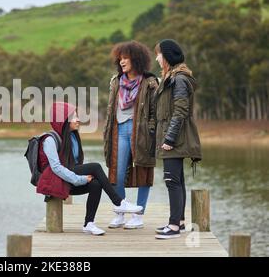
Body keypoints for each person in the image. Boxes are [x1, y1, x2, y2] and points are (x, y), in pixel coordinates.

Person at [37, 102, 143, 236]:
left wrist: (83, 177)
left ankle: (89, 224)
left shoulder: (73, 136)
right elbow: (56, 168)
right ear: (63, 120)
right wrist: (79, 179)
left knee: (96, 184)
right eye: (74, 117)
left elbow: (75, 164)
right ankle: (119, 202)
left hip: (69, 178)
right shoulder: (50, 140)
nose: (78, 119)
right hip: (59, 182)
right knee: (96, 167)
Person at [103, 41, 159, 230]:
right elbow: (111, 109)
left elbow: (154, 112)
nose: (121, 61)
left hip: (141, 133)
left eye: (125, 58)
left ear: (136, 59)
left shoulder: (150, 82)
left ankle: (138, 216)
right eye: (120, 58)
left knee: (144, 172)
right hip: (119, 130)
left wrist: (150, 131)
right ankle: (120, 211)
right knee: (116, 174)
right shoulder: (115, 81)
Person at [153, 39, 202, 239]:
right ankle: (179, 222)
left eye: (158, 54)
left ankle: (173, 227)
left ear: (167, 56)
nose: (156, 58)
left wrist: (170, 139)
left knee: (171, 180)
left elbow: (180, 111)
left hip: (175, 138)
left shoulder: (179, 79)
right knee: (177, 180)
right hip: (173, 135)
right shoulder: (172, 77)